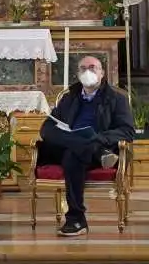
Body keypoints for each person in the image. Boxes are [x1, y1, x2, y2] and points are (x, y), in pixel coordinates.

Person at [38, 56, 134, 237]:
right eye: (83, 68)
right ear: (78, 74)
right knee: (61, 140)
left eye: (93, 67)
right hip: (85, 149)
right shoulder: (68, 98)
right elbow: (47, 127)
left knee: (72, 155)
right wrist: (76, 139)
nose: (88, 71)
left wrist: (99, 138)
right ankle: (98, 152)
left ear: (102, 73)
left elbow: (127, 131)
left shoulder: (116, 99)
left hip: (92, 148)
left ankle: (76, 219)